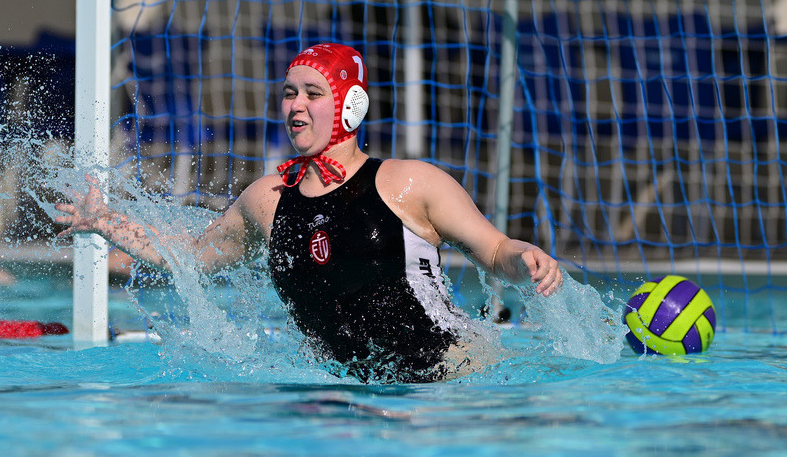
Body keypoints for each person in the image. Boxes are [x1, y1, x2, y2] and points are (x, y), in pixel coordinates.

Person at [56, 43, 563, 383]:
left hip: (455, 379)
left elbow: (494, 250)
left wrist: (527, 259)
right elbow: (190, 255)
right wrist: (105, 222)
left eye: (313, 93)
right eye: (289, 93)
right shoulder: (268, 200)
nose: (296, 105)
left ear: (351, 104)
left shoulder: (410, 182)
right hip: (340, 394)